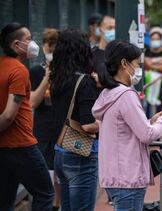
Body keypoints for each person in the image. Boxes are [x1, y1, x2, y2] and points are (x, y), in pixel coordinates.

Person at [92, 40, 162, 211]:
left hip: (116, 176)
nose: (139, 70)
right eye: (137, 64)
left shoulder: (109, 93)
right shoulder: (126, 95)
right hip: (128, 177)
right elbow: (147, 135)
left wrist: (156, 119)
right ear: (124, 64)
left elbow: (129, 128)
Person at [0, 22, 54, 211]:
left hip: (4, 146)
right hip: (21, 144)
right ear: (16, 45)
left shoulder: (3, 67)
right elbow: (8, 115)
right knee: (45, 193)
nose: (33, 44)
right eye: (29, 39)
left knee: (5, 199)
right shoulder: (19, 70)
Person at [49, 29, 99, 211]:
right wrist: (106, 123)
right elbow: (88, 125)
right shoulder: (84, 82)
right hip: (81, 154)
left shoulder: (57, 78)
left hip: (61, 150)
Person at [29, 27, 61, 211]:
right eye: (49, 46)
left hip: (62, 128)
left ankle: (57, 205)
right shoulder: (36, 71)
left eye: (55, 46)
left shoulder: (68, 71)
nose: (51, 50)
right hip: (43, 127)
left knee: (61, 173)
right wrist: (47, 77)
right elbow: (33, 102)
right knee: (46, 172)